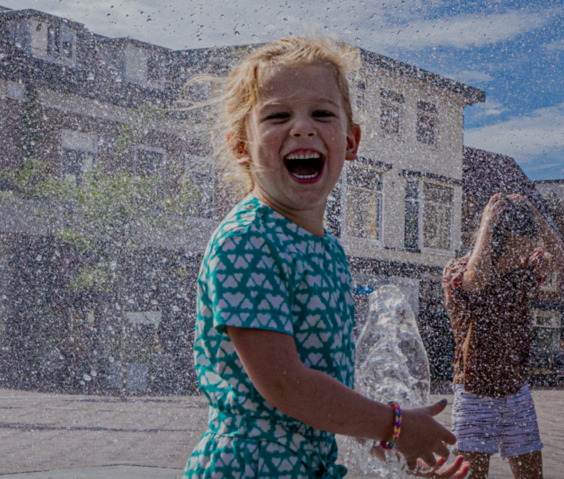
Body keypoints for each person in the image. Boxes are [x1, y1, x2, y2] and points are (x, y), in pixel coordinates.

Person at [183, 36, 468, 479]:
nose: (302, 127)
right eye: (278, 115)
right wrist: (394, 426)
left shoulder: (328, 251)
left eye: (322, 114)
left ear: (350, 142)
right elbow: (285, 384)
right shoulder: (246, 240)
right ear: (241, 147)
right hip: (250, 468)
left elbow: (327, 390)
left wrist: (392, 452)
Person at [443, 194, 564, 479]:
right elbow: (477, 280)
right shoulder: (458, 269)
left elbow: (560, 257)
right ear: (496, 242)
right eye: (516, 249)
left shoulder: (522, 273)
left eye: (527, 248)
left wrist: (534, 212)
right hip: (474, 392)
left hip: (516, 392)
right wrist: (488, 222)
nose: (523, 257)